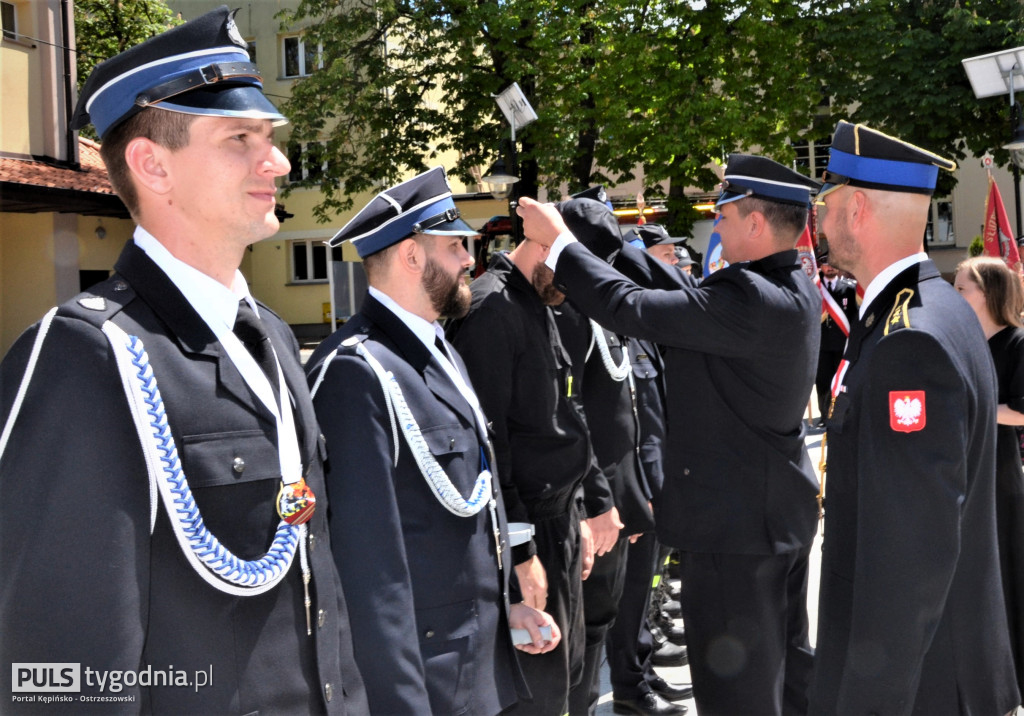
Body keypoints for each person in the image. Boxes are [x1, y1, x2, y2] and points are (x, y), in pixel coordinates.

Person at [0, 7, 366, 712]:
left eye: (271, 137)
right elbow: (62, 672)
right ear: (152, 165)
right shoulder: (88, 356)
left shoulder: (271, 337)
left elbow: (317, 590)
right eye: (240, 138)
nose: (279, 162)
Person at [516, 153, 822, 716]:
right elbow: (680, 288)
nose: (717, 223)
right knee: (786, 682)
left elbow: (633, 308)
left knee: (739, 696)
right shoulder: (790, 286)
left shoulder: (749, 298)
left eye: (724, 213)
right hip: (773, 520)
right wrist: (608, 246)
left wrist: (560, 245)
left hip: (735, 538)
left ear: (755, 222)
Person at [304, 167, 560, 715]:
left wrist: (506, 607)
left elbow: (468, 509)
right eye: (454, 247)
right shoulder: (357, 371)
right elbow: (368, 571)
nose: (470, 258)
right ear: (411, 257)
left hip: (475, 661)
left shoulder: (438, 351)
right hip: (425, 680)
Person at [805, 120, 1019, 713]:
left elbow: (910, 556)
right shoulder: (937, 307)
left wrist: (870, 699)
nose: (818, 223)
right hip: (943, 667)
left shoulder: (909, 341)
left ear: (857, 210)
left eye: (826, 206)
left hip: (919, 684)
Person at [446, 237, 602, 716]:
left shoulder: (537, 300)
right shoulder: (493, 308)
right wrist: (521, 547)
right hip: (527, 530)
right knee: (537, 694)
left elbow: (555, 421)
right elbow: (488, 447)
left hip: (558, 522)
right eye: (571, 270)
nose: (576, 289)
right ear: (540, 245)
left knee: (566, 682)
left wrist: (578, 510)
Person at [954, 255, 1024, 705]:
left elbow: (1019, 409)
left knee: (1007, 580)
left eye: (963, 288)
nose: (955, 296)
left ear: (988, 294)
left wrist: (970, 408)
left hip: (999, 477)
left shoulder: (1017, 343)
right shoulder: (962, 342)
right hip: (963, 476)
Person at [815, 255, 858, 425]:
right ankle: (825, 416)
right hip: (822, 345)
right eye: (826, 265)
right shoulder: (815, 289)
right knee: (824, 381)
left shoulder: (849, 288)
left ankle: (841, 415)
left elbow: (854, 317)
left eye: (833, 265)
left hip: (842, 344)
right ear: (821, 267)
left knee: (842, 382)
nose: (830, 268)